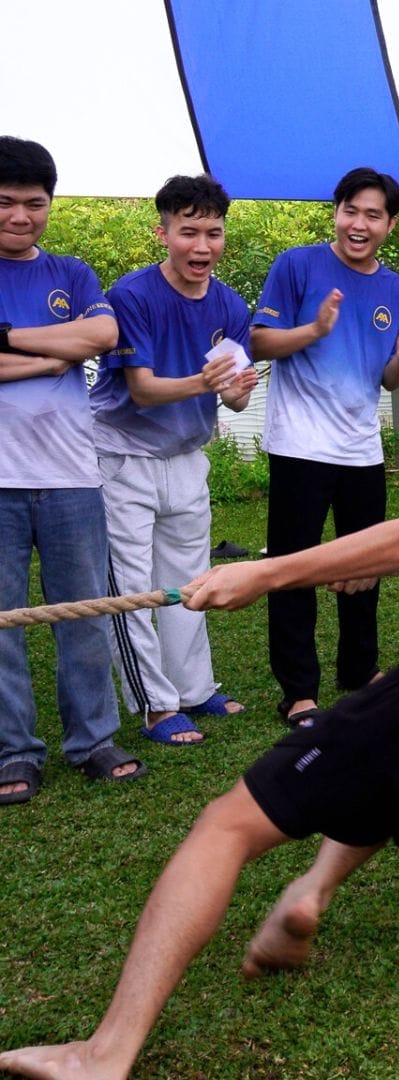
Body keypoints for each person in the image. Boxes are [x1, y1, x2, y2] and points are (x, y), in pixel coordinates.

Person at [0, 372, 399, 1079]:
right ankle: (308, 896)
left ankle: (103, 1055)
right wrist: (398, 565)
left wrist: (270, 574)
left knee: (225, 828)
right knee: (380, 770)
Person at [0, 136, 146, 807]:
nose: (20, 216)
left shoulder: (72, 273)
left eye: (34, 203)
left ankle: (92, 740)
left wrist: (6, 339)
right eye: (6, 203)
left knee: (83, 614)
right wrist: (48, 357)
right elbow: (74, 345)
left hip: (71, 476)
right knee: (4, 621)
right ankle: (15, 752)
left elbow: (101, 338)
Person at [90, 175, 259, 746]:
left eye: (213, 233)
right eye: (189, 232)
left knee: (190, 580)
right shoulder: (131, 295)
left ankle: (194, 688)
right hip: (121, 457)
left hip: (188, 456)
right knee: (131, 586)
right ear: (163, 232)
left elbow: (233, 394)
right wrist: (204, 382)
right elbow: (140, 389)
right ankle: (156, 704)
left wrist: (239, 389)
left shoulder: (231, 304)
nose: (202, 246)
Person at [251, 167, 399, 728]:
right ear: (336, 211)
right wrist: (314, 330)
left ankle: (358, 668)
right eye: (352, 210)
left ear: (390, 225)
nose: (360, 224)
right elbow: (260, 341)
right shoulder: (297, 265)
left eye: (374, 215)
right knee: (294, 567)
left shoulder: (396, 288)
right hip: (300, 445)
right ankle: (298, 691)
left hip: (361, 450)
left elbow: (390, 382)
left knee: (365, 564)